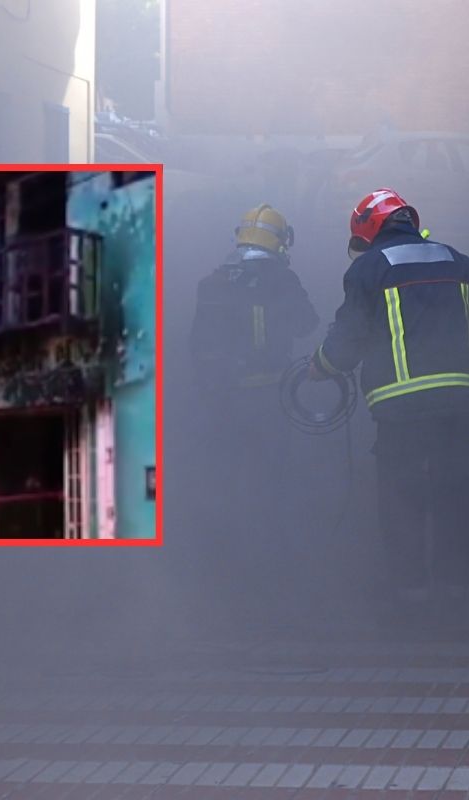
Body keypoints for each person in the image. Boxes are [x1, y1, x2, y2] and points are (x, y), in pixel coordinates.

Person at [309, 188, 469, 612]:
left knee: (402, 498)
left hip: (401, 406)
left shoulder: (368, 268)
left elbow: (349, 337)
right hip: (458, 400)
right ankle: (455, 594)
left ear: (368, 229)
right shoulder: (457, 260)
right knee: (455, 492)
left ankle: (412, 597)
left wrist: (322, 367)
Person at [189, 204, 320, 605]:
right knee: (272, 488)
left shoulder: (211, 283)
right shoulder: (281, 278)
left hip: (221, 405)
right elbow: (307, 324)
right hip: (268, 402)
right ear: (279, 241)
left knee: (223, 489)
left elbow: (196, 347)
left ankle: (223, 578)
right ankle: (273, 578)